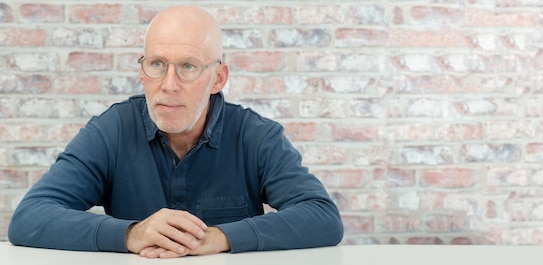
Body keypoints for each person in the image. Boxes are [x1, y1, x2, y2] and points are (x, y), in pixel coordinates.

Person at [8, 5, 343, 259]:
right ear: (142, 71)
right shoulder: (111, 131)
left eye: (188, 67)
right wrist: (131, 234)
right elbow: (30, 218)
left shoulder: (255, 136)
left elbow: (323, 217)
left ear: (218, 78)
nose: (168, 85)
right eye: (157, 64)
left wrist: (218, 238)